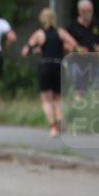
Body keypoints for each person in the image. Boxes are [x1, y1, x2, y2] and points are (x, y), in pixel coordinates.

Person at [22, 8, 77, 138]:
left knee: (46, 99)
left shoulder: (39, 34)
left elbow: (25, 51)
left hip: (45, 66)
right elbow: (73, 44)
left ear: (42, 19)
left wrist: (36, 50)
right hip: (58, 66)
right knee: (58, 98)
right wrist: (63, 48)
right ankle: (60, 121)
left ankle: (53, 127)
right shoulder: (61, 32)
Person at [65, 0, 99, 100]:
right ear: (79, 11)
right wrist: (77, 49)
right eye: (84, 11)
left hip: (95, 62)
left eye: (89, 10)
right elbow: (65, 44)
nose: (87, 13)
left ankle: (97, 108)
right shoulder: (72, 27)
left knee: (98, 89)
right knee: (80, 89)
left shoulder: (98, 25)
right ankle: (78, 106)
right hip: (78, 62)